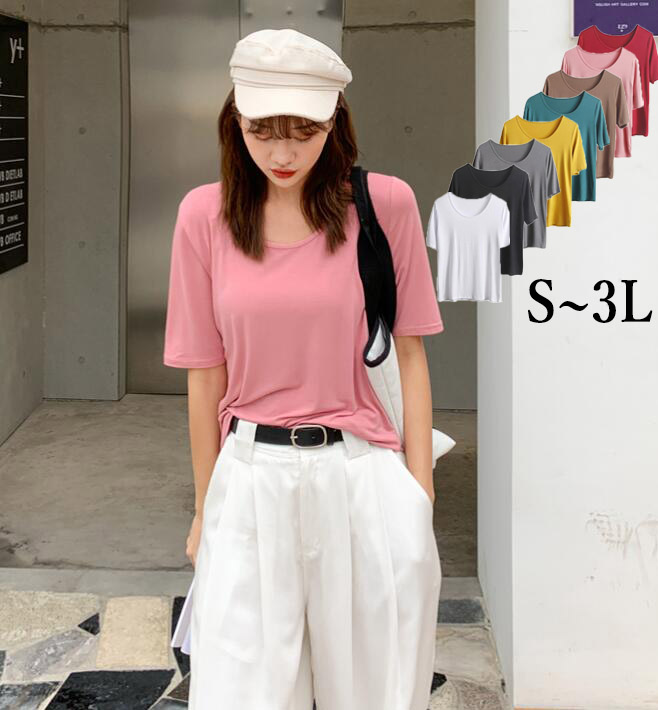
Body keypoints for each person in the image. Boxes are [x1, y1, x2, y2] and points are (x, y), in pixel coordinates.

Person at [163, 27, 444, 710]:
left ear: (334, 124)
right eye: (262, 131)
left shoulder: (385, 206)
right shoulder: (204, 216)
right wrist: (204, 510)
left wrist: (420, 496)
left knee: (377, 692)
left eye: (304, 132)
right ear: (234, 123)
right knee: (240, 693)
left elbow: (410, 354)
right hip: (250, 478)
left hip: (362, 475)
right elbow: (205, 376)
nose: (282, 154)